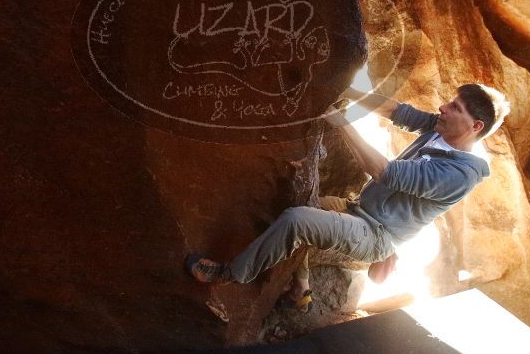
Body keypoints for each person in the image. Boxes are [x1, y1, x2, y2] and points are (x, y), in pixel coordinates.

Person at [185, 83, 510, 311]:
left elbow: (386, 172)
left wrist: (341, 120)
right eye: (449, 102)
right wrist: (347, 90)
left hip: (377, 234)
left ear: (475, 126)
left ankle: (230, 275)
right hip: (360, 209)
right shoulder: (441, 130)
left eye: (455, 108)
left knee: (297, 221)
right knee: (305, 208)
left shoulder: (460, 174)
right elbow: (397, 111)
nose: (443, 107)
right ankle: (301, 291)